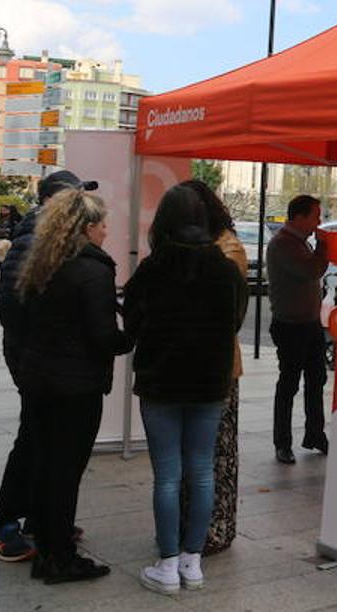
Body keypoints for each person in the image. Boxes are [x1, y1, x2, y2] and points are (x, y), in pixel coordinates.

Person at [123, 185, 245, 594]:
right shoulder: (225, 268)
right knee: (202, 471)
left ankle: (168, 562)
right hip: (210, 383)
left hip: (161, 383)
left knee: (168, 476)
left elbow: (132, 325)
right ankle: (193, 562)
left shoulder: (152, 269)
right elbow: (236, 321)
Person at [0, 170, 96, 563]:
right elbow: (15, 310)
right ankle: (3, 526)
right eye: (75, 198)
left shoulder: (49, 238)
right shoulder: (32, 240)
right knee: (32, 440)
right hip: (36, 362)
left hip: (42, 360)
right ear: (55, 202)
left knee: (43, 440)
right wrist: (45, 352)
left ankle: (41, 519)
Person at [16, 187, 125, 584]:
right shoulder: (94, 270)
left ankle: (46, 549)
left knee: (46, 465)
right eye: (102, 225)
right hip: (75, 388)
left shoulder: (46, 261)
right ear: (86, 228)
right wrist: (134, 334)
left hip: (40, 379)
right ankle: (61, 557)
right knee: (66, 471)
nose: (107, 232)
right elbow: (103, 337)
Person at [179, 178, 249, 555]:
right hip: (188, 364)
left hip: (218, 365)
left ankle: (214, 527)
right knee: (189, 453)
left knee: (214, 454)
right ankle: (187, 525)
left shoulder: (228, 248)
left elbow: (231, 316)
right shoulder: (189, 245)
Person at [268, 194, 331, 464]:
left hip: (310, 324)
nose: (320, 221)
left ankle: (315, 434)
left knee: (316, 381)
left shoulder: (300, 243)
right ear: (300, 216)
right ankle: (282, 442)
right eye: (316, 215)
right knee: (289, 384)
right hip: (290, 326)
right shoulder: (283, 244)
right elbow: (312, 270)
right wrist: (324, 247)